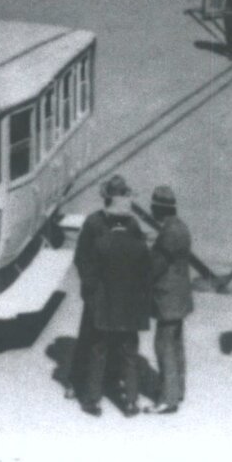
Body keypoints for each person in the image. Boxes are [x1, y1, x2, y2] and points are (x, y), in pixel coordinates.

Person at [68, 177, 151, 415]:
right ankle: (129, 400)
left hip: (100, 299)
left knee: (94, 345)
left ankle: (87, 393)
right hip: (122, 301)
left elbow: (82, 258)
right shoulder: (131, 225)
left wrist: (91, 286)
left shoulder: (94, 222)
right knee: (125, 349)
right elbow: (144, 266)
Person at [147, 184, 193, 413]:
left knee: (163, 346)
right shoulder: (181, 227)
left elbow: (155, 267)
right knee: (176, 346)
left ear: (159, 209)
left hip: (167, 300)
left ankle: (167, 398)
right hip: (180, 298)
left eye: (153, 207)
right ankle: (178, 390)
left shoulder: (168, 234)